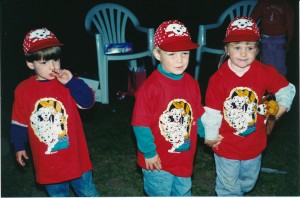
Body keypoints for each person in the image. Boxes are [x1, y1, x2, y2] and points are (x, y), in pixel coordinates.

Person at [201, 17, 296, 196]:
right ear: (227, 49)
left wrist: (280, 109)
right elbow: (212, 111)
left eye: (250, 48)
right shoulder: (218, 79)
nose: (243, 53)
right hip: (226, 144)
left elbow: (286, 88)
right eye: (237, 47)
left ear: (257, 50)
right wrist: (211, 135)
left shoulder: (263, 72)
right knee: (229, 186)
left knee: (248, 181)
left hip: (254, 143)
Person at [10, 27, 99, 197]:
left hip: (76, 159)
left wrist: (72, 83)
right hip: (47, 162)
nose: (52, 66)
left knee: (88, 192)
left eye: (56, 59)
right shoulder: (23, 90)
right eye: (44, 62)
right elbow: (19, 121)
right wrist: (19, 145)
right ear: (30, 63)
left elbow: (88, 102)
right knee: (57, 194)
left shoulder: (67, 82)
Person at [131, 20, 205, 196]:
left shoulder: (192, 84)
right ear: (157, 54)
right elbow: (140, 124)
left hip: (184, 157)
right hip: (158, 161)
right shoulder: (150, 87)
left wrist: (207, 133)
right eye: (171, 54)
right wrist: (149, 153)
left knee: (183, 191)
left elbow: (198, 113)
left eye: (185, 53)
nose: (180, 60)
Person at [250, 0, 294, 76]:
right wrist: (253, 35)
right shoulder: (262, 3)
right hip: (266, 39)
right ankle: (268, 83)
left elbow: (290, 24)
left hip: (280, 40)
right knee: (267, 64)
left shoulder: (285, 4)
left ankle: (280, 83)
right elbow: (252, 19)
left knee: (280, 64)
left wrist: (289, 40)